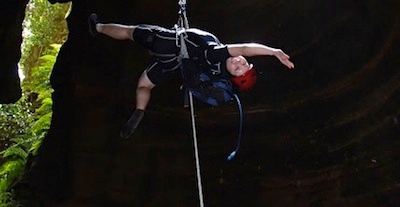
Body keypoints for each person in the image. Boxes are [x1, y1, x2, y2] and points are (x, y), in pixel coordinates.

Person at [88, 13, 294, 139]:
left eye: (238, 69)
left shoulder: (216, 55)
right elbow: (242, 51)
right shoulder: (213, 71)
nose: (238, 62)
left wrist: (273, 51)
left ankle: (97, 27)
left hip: (167, 42)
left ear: (231, 75)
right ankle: (139, 110)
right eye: (243, 63)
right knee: (144, 85)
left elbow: (246, 47)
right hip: (172, 63)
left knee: (128, 32)